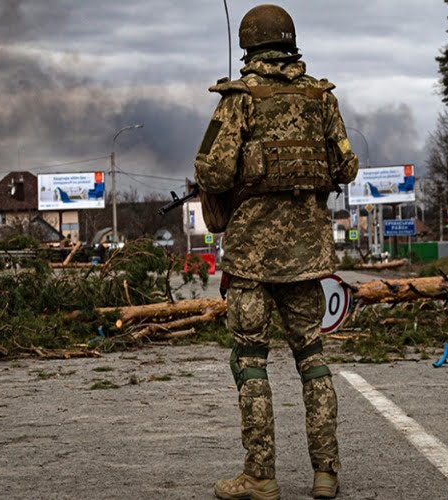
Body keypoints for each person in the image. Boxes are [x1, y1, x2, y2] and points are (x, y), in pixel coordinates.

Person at [193, 4, 359, 499]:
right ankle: (325, 472)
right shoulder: (321, 99)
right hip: (308, 254)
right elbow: (346, 166)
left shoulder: (239, 99)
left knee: (250, 359)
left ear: (248, 46)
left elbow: (213, 171)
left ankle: (260, 476)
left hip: (250, 259)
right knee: (312, 358)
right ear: (291, 44)